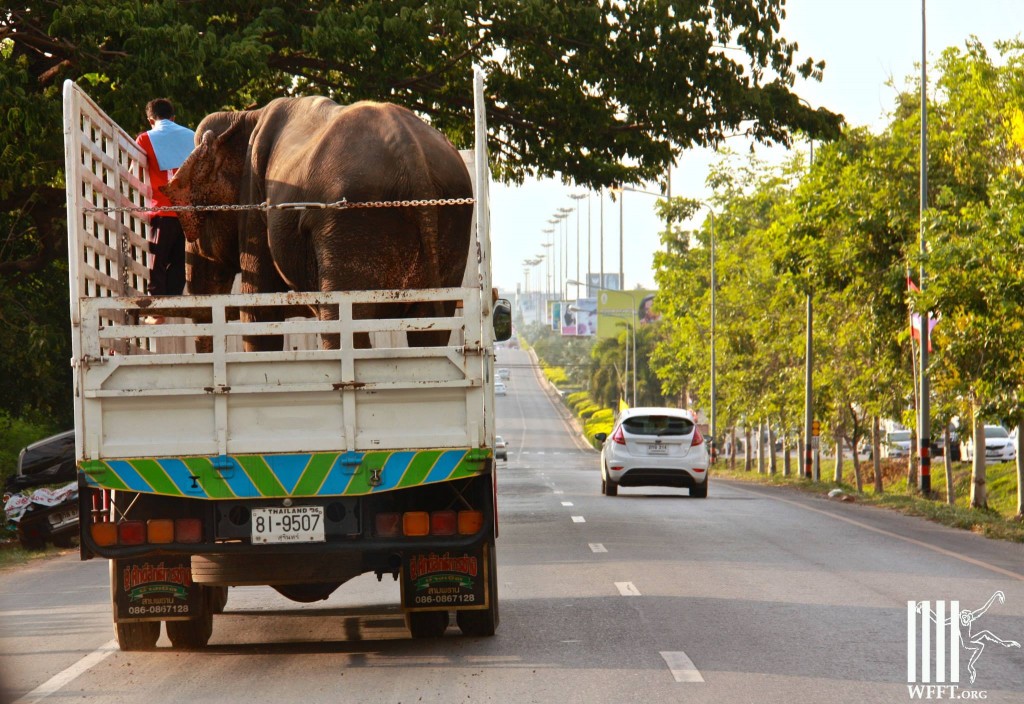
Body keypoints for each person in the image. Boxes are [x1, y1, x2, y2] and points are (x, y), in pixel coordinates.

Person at [135, 99, 196, 315]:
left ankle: (157, 310)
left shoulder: (145, 139)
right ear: (173, 118)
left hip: (162, 210)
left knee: (156, 261)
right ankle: (172, 304)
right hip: (188, 211)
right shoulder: (193, 136)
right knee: (180, 261)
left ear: (151, 119)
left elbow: (135, 174)